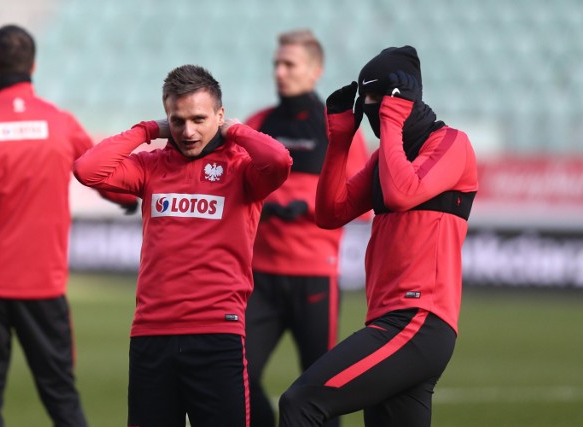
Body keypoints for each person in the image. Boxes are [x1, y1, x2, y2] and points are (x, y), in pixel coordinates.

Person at [73, 64, 292, 427]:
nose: (188, 131)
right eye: (177, 120)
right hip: (151, 333)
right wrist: (146, 130)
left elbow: (280, 161)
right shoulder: (151, 166)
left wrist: (236, 131)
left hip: (217, 333)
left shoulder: (241, 170)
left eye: (199, 119)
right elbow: (87, 169)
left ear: (219, 115)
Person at [0, 25, 138, 427]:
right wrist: (126, 199)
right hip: (42, 286)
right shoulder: (60, 123)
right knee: (61, 394)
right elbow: (100, 173)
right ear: (32, 65)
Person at [277, 46, 479, 427]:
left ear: (405, 99)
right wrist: (338, 141)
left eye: (379, 97)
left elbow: (402, 192)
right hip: (392, 320)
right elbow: (330, 212)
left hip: (419, 319)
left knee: (300, 402)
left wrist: (389, 120)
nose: (370, 106)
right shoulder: (384, 156)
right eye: (365, 98)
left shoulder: (453, 143)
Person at [243, 29, 369, 427]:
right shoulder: (259, 124)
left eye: (289, 64)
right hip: (259, 281)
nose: (280, 72)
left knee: (320, 392)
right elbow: (233, 187)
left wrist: (305, 207)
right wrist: (270, 203)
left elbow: (361, 205)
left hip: (315, 279)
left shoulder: (338, 132)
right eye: (276, 64)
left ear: (315, 71)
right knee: (234, 377)